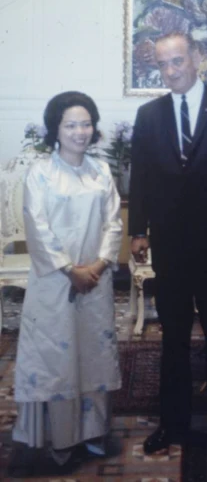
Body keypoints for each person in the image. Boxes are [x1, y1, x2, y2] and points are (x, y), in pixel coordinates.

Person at [129, 31, 207, 459]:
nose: (170, 71)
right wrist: (139, 230)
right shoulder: (149, 115)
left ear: (197, 58)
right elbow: (141, 178)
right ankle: (173, 423)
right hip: (171, 248)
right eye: (163, 64)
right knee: (174, 340)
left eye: (178, 61)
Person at [10, 91, 122, 476]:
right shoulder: (41, 172)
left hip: (96, 280)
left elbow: (114, 222)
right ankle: (61, 438)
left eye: (86, 123)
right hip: (55, 284)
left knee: (92, 354)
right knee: (57, 359)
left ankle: (92, 432)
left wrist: (99, 264)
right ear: (55, 129)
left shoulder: (101, 171)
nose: (80, 131)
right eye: (71, 124)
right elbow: (37, 227)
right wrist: (69, 270)